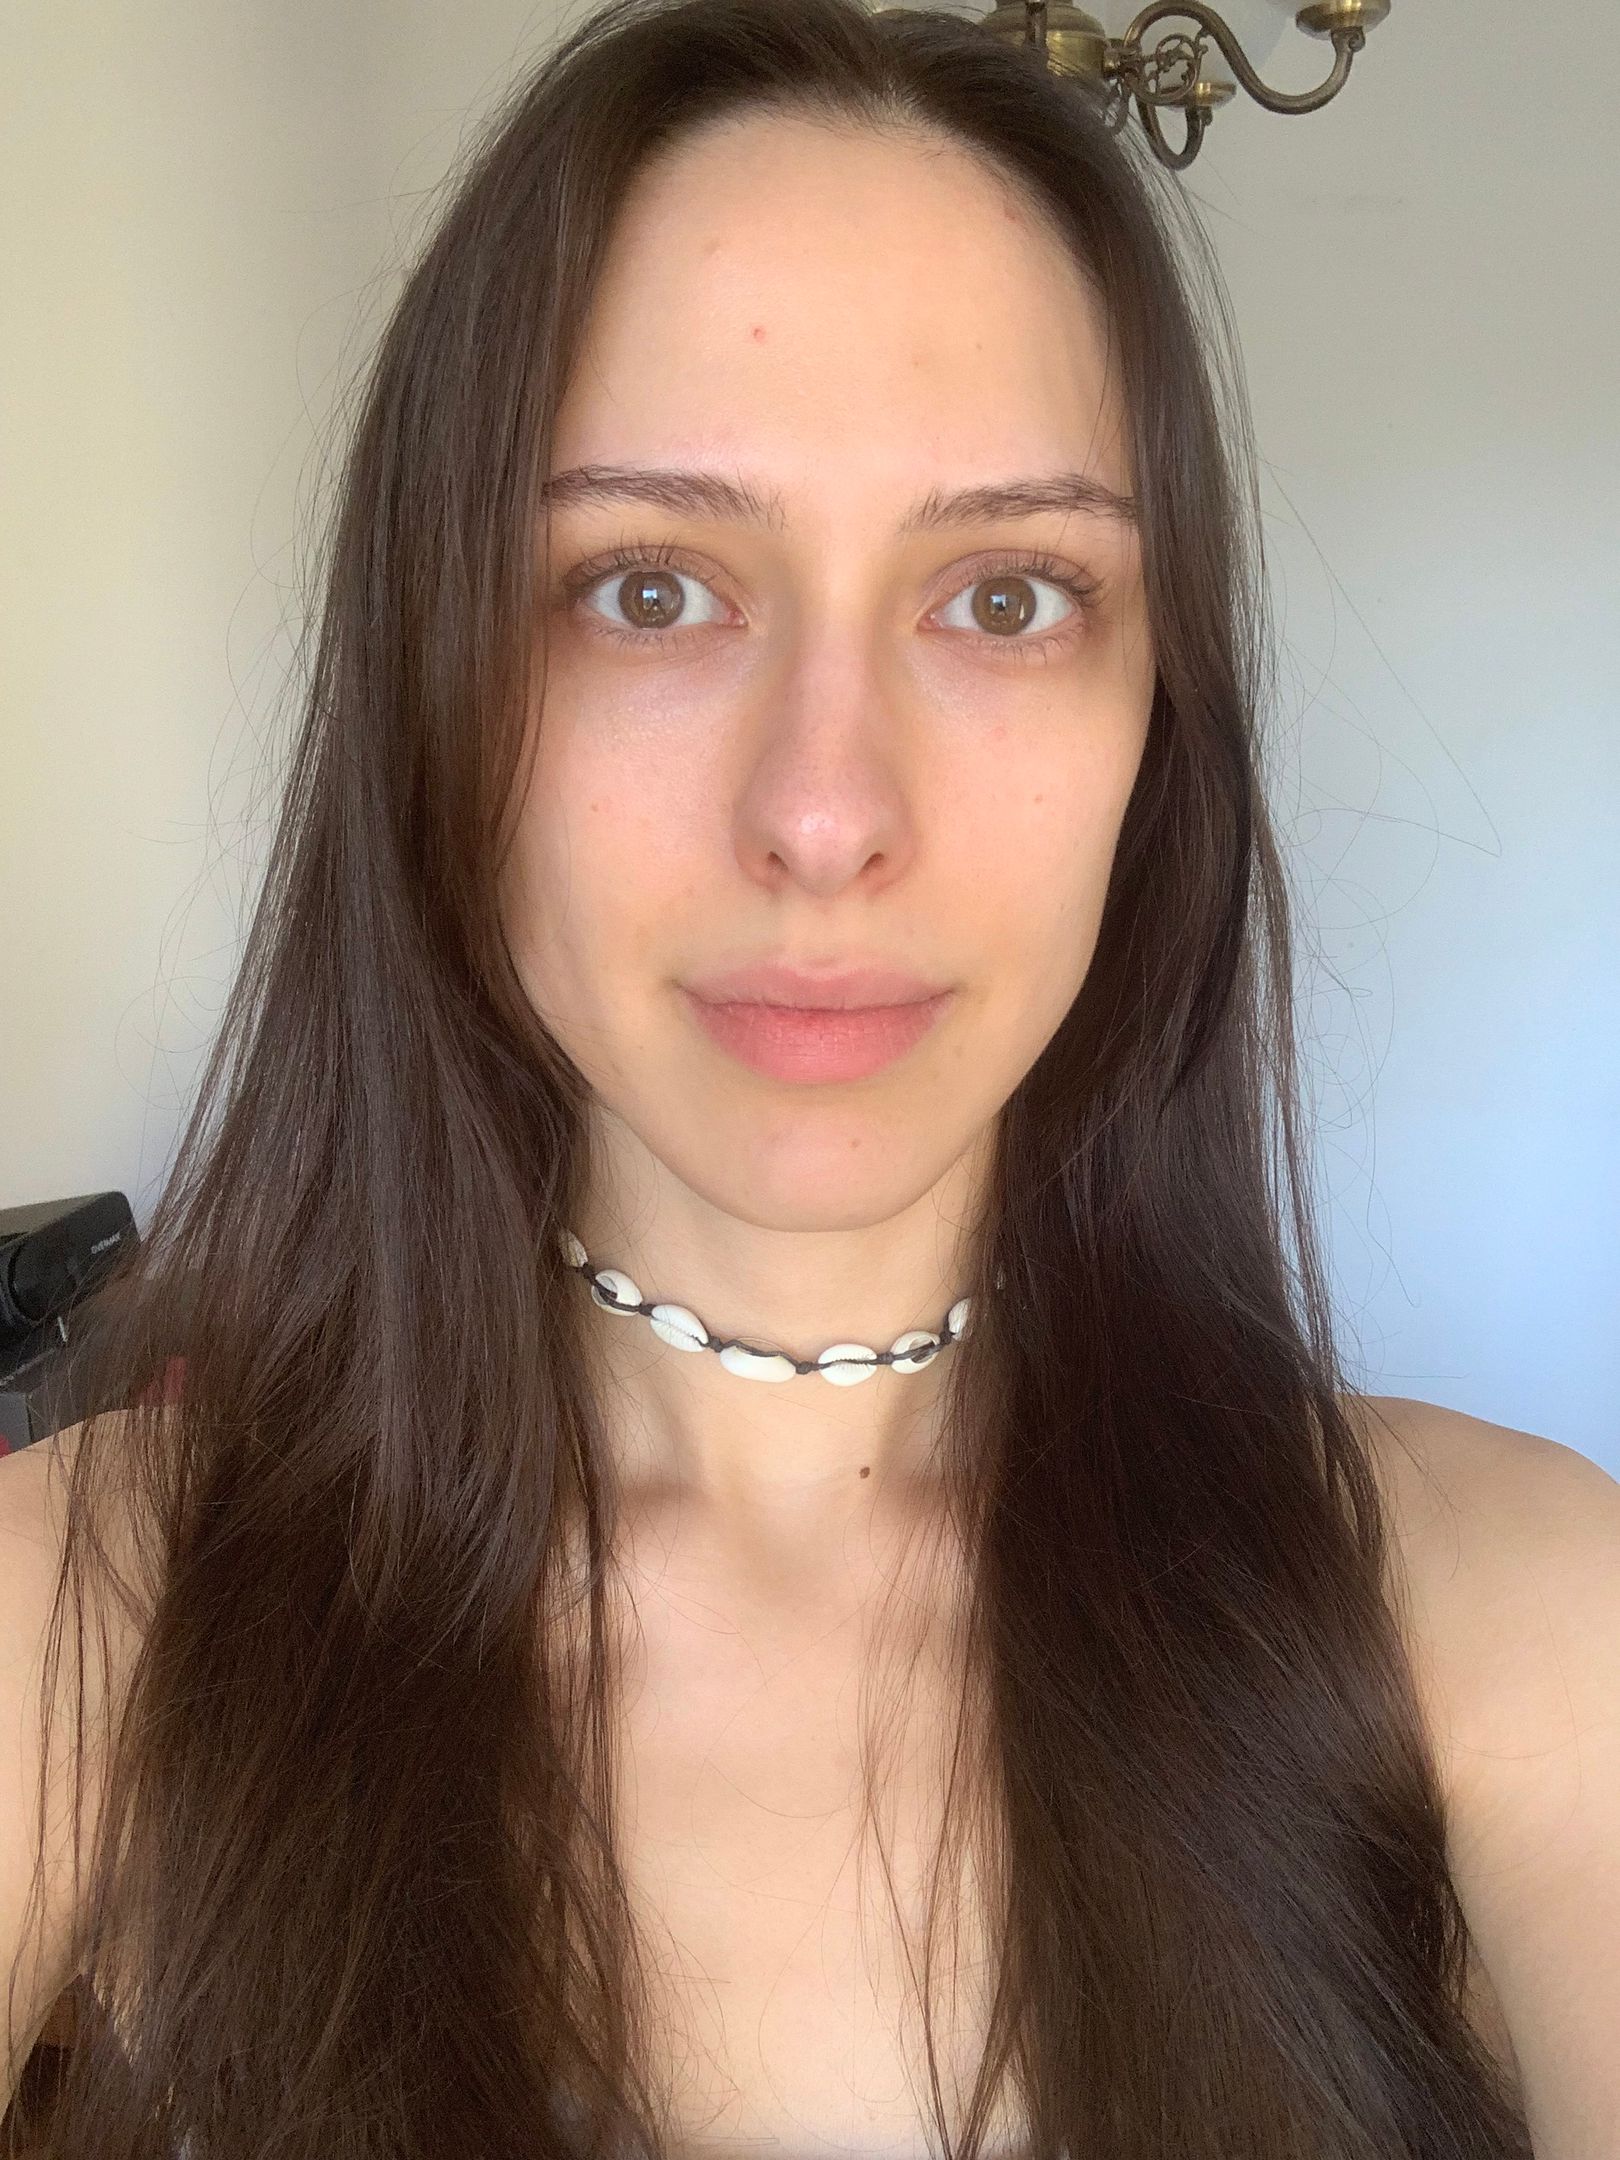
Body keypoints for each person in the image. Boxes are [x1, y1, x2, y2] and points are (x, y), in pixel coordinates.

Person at [4, 0, 1617, 2154]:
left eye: (1009, 598)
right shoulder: (79, 1620)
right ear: (434, 695)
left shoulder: (1509, 1614)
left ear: (1159, 733)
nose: (829, 814)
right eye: (649, 589)